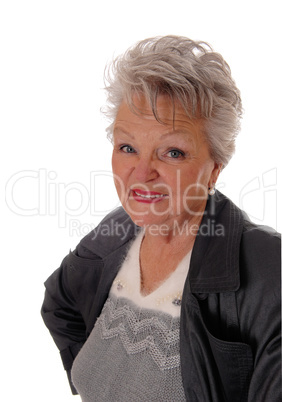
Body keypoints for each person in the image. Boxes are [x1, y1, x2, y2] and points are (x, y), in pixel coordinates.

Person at [41, 36, 281, 401]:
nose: (140, 174)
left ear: (214, 167)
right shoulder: (116, 230)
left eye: (172, 152)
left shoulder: (269, 270)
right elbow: (60, 302)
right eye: (127, 147)